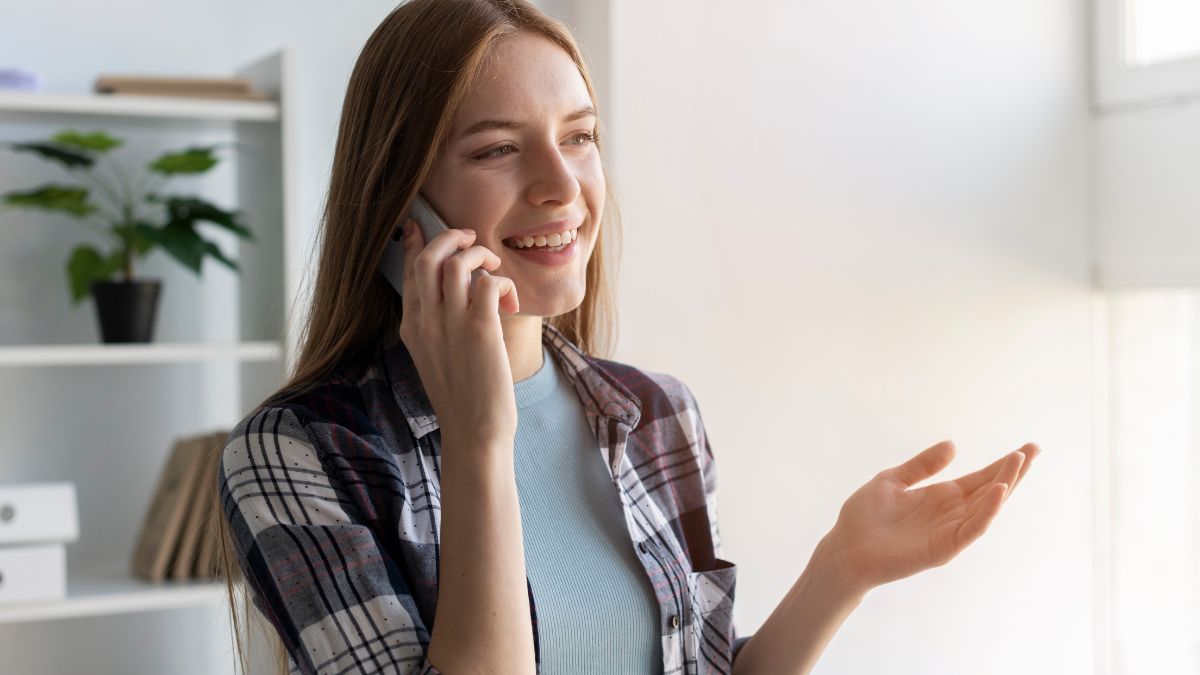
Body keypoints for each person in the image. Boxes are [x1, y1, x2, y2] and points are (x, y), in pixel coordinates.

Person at [212, 1, 1041, 674]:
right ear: (402, 214)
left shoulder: (655, 412)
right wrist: (479, 438)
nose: (562, 184)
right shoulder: (296, 453)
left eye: (579, 136)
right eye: (500, 149)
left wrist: (841, 569)